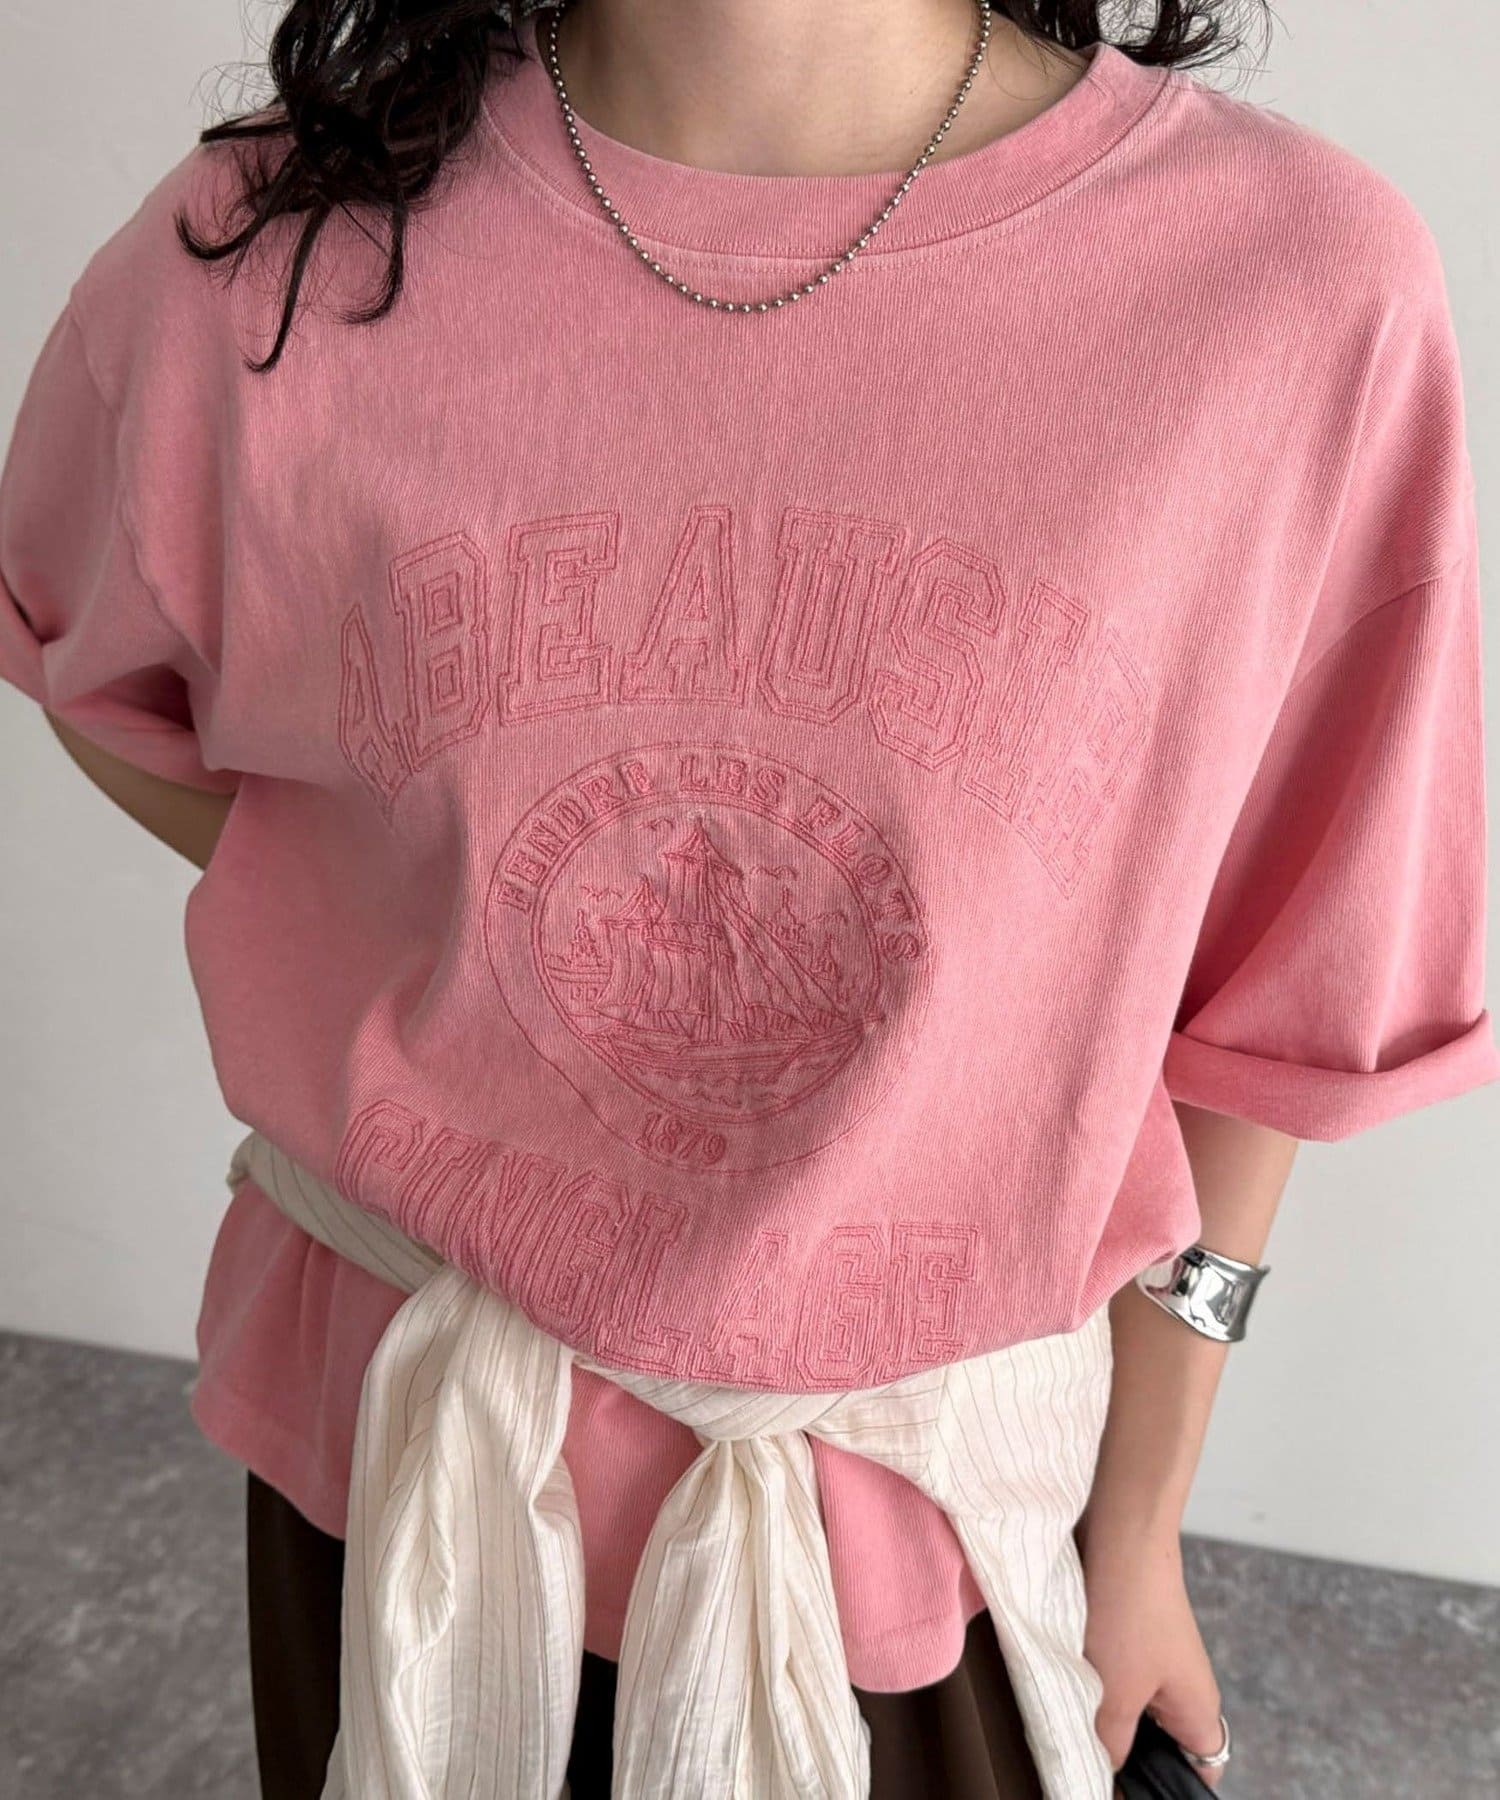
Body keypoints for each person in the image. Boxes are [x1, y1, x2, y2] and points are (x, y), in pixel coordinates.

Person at [2, 1, 1496, 1795]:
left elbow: (1280, 994)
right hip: (400, 1473)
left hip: (927, 1524)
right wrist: (437, 925)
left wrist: (1138, 1525)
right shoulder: (273, 247)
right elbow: (86, 651)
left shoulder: (1290, 288)